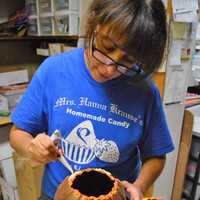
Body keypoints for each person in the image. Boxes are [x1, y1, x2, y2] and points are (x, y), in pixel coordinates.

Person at [9, 0, 174, 200]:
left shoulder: (145, 90)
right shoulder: (53, 70)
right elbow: (17, 134)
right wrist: (30, 147)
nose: (109, 69)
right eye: (106, 47)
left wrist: (139, 186)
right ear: (94, 22)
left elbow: (156, 155)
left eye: (128, 61)